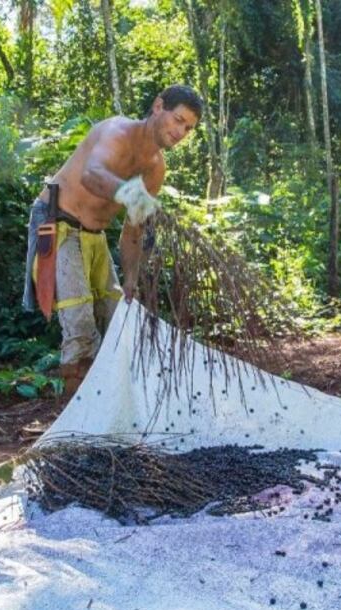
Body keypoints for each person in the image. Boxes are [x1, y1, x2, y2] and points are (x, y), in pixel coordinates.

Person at [22, 85, 202, 394]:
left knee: (119, 314)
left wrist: (131, 278)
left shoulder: (156, 170)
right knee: (79, 324)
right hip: (59, 223)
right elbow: (92, 175)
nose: (181, 131)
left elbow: (133, 231)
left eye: (188, 127)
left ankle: (110, 399)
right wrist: (130, 193)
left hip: (95, 235)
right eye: (178, 119)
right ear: (158, 106)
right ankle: (76, 413)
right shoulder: (117, 131)